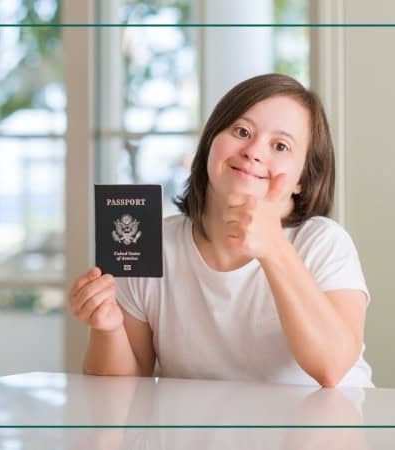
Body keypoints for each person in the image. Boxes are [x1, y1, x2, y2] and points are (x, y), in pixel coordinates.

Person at [69, 73, 374, 388]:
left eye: (280, 145)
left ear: (303, 179)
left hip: (326, 433)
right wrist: (108, 328)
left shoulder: (324, 243)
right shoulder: (153, 246)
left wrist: (273, 248)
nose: (254, 151)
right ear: (211, 143)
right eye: (242, 131)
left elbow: (332, 367)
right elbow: (121, 393)